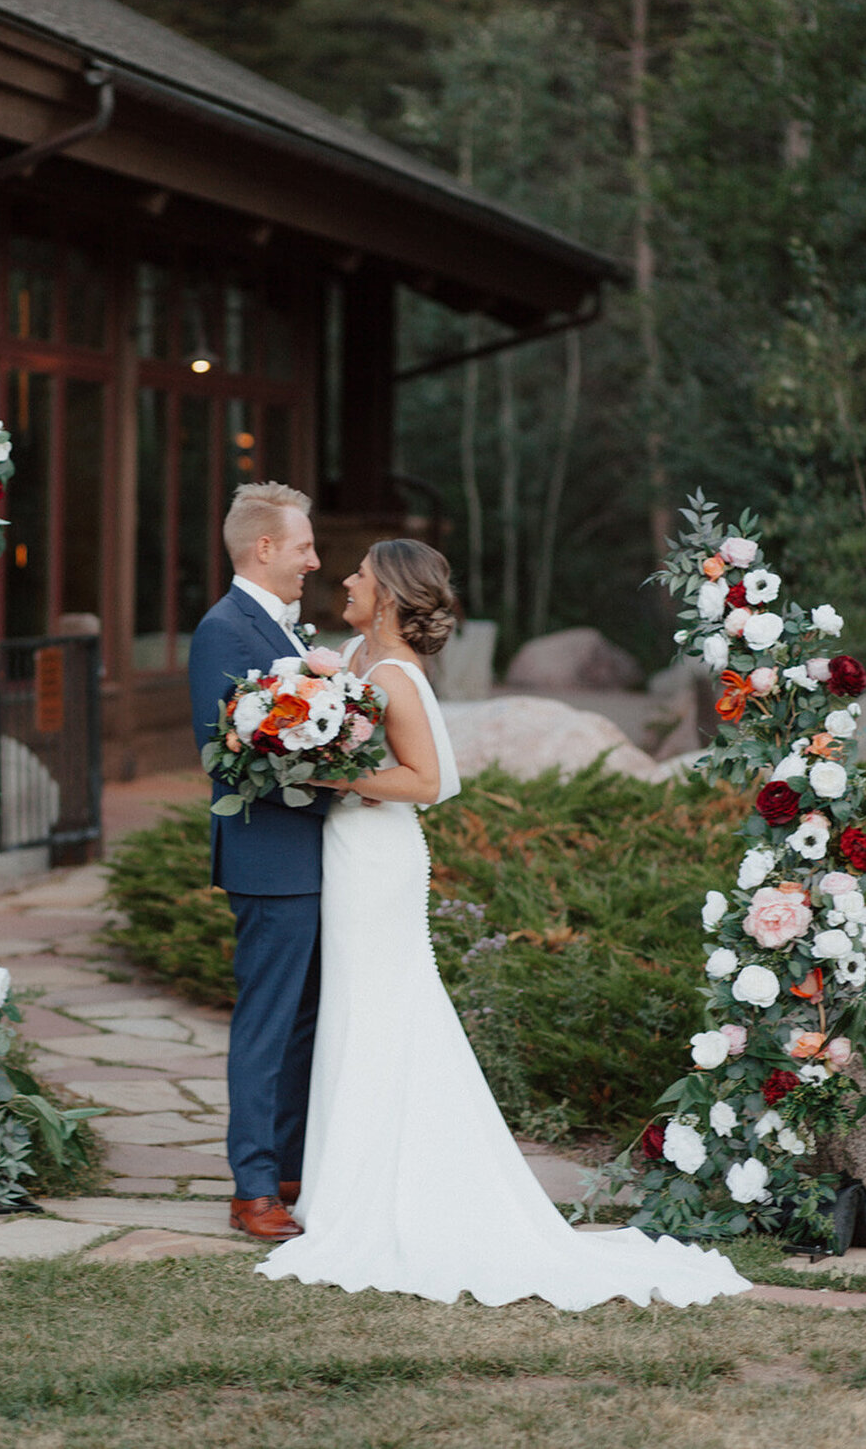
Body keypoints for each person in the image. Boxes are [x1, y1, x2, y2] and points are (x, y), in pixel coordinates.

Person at [256, 538, 751, 1310]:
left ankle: (386, 1194)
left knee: (388, 1007)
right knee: (355, 1011)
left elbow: (431, 780)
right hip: (343, 846)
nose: (345, 579)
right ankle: (344, 1184)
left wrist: (322, 769)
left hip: (379, 858)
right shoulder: (346, 654)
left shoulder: (394, 674)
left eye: (358, 573)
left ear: (385, 592)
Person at [188, 482, 330, 1242]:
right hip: (270, 860)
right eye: (303, 546)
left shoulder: (283, 629)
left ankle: (287, 1167)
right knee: (269, 1025)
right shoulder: (226, 629)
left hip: (307, 858)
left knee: (303, 1023)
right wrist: (340, 772)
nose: (314, 560)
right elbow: (227, 758)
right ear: (264, 547)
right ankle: (252, 1187)